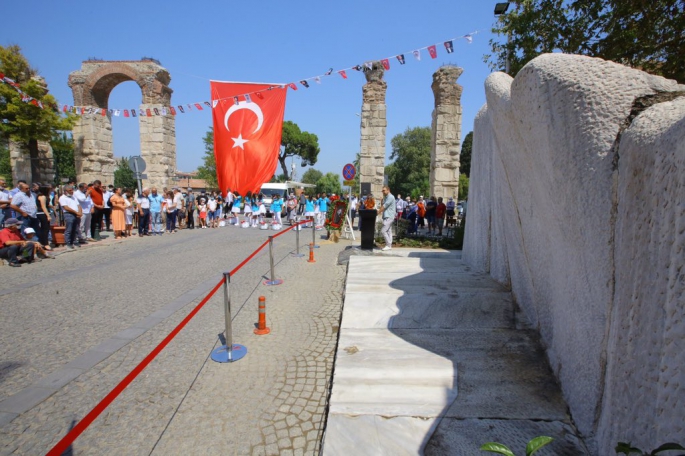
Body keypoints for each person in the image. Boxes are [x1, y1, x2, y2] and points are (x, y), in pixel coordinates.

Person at [58, 185, 82, 250]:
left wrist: (80, 212)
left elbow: (78, 205)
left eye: (72, 190)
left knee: (75, 229)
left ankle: (73, 241)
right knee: (69, 229)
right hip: (69, 214)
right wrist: (76, 212)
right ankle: (68, 243)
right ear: (65, 191)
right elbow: (66, 207)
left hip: (76, 214)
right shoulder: (62, 198)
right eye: (70, 190)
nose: (72, 192)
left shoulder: (73, 197)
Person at [35, 185, 53, 249]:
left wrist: (51, 206)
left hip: (42, 213)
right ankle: (45, 243)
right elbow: (43, 206)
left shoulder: (43, 196)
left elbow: (45, 205)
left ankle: (44, 242)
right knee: (45, 229)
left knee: (46, 229)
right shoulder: (42, 197)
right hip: (42, 213)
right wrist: (48, 215)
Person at [379, 186, 396, 251]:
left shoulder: (390, 197)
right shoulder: (386, 197)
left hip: (389, 216)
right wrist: (381, 201)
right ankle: (389, 245)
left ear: (388, 190)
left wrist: (378, 212)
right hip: (387, 216)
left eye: (384, 190)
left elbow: (384, 206)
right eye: (382, 191)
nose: (383, 192)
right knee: (388, 231)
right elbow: (383, 205)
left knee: (383, 231)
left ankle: (388, 245)